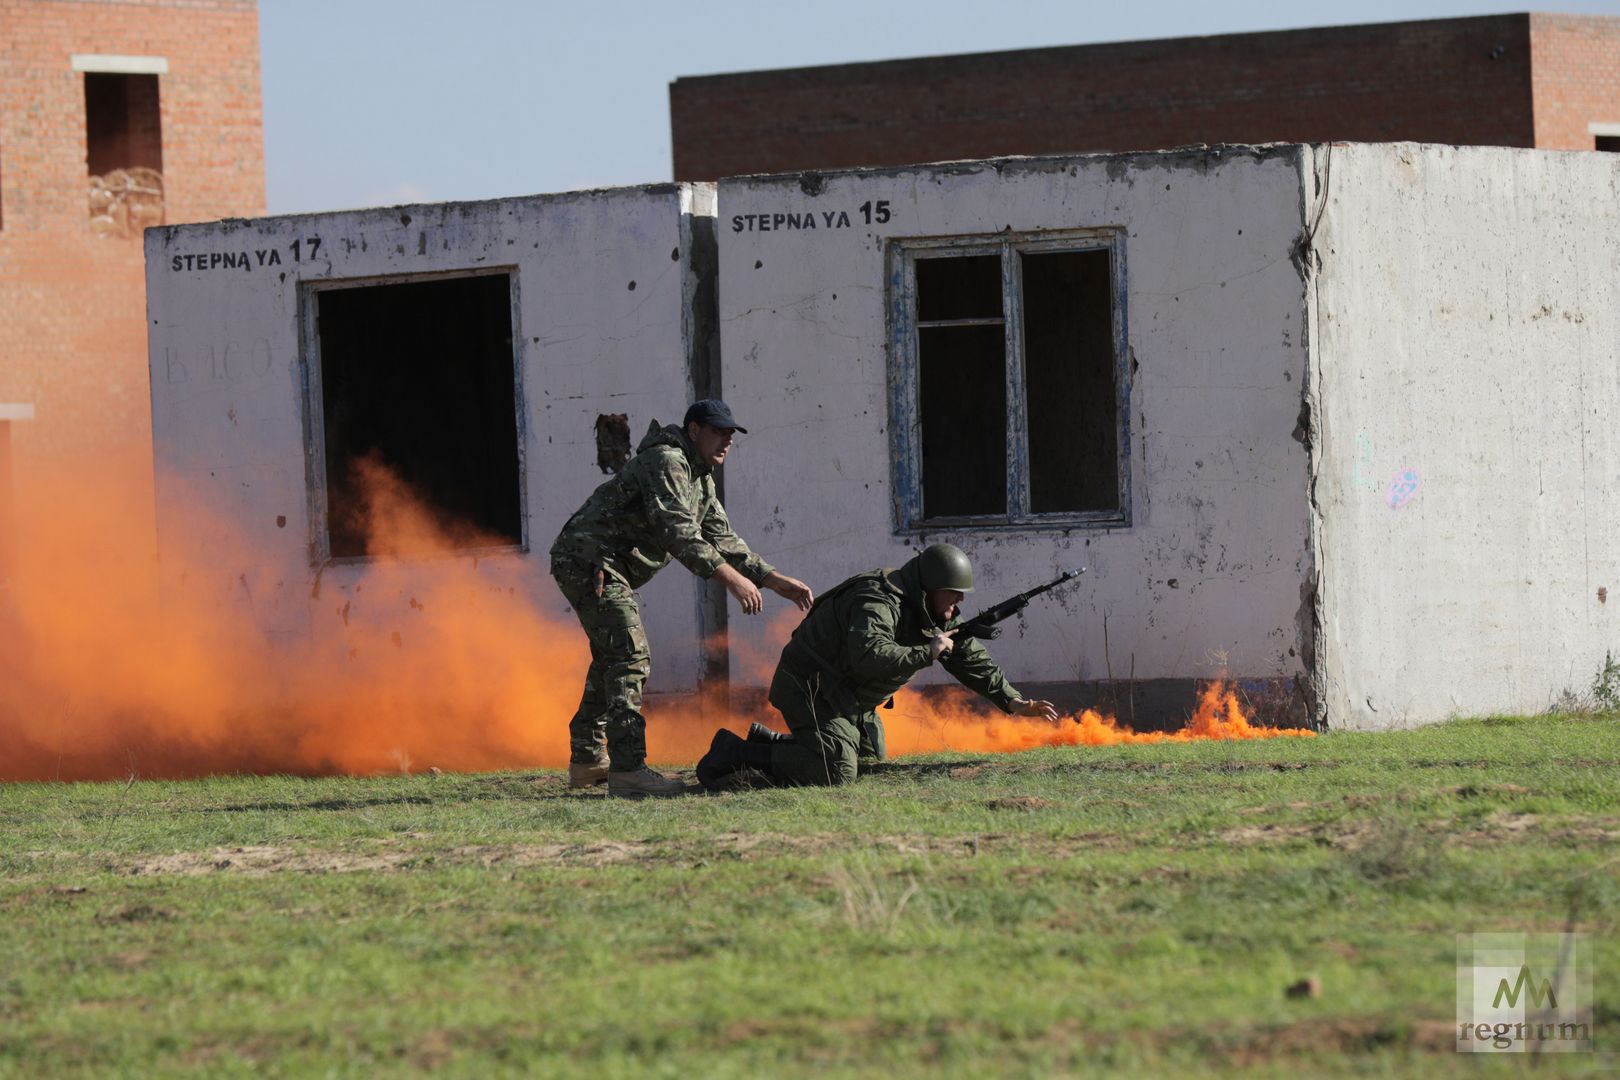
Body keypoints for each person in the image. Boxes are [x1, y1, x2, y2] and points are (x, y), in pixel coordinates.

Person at [550, 400, 813, 797]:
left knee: (612, 654)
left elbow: (723, 539)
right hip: (589, 560)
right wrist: (733, 581)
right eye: (718, 431)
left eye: (731, 433)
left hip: (603, 563)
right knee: (629, 655)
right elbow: (679, 533)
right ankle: (627, 771)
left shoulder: (700, 479)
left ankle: (588, 760)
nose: (727, 439)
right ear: (694, 431)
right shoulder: (667, 461)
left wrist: (773, 580)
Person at [696, 543, 1058, 789]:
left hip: (850, 699)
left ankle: (771, 742)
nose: (959, 602)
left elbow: (966, 655)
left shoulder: (929, 606)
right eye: (953, 593)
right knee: (837, 770)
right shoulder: (876, 600)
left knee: (871, 763)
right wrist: (926, 652)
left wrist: (1013, 701)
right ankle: (736, 753)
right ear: (929, 587)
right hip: (811, 688)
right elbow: (868, 656)